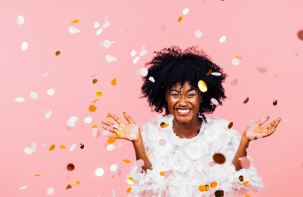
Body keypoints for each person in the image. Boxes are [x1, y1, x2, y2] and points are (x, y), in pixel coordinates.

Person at [101, 46, 281, 197]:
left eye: (191, 94)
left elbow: (231, 181)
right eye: (175, 94)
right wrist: (137, 141)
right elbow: (150, 186)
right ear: (165, 97)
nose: (183, 102)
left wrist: (245, 140)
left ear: (202, 98)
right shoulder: (153, 131)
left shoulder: (221, 130)